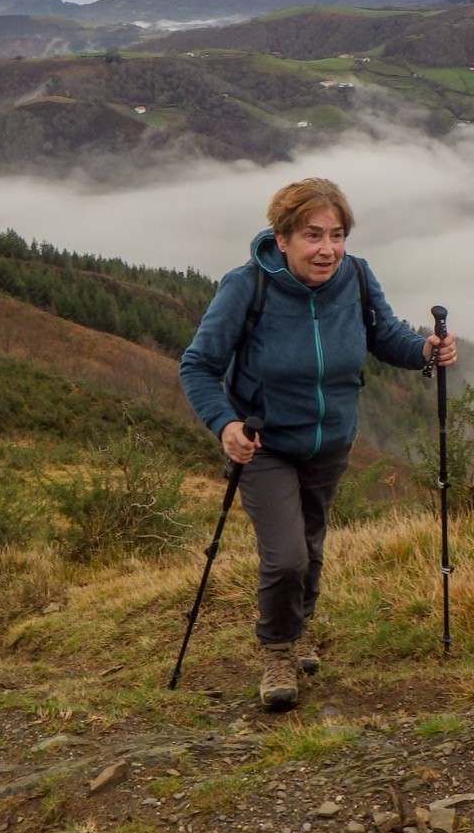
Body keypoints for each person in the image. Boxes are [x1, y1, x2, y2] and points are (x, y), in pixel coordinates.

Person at [178, 177, 457, 709]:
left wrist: (425, 348)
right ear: (281, 238)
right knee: (285, 557)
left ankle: (298, 627)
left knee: (309, 546)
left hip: (331, 440)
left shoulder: (355, 276)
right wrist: (225, 425)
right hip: (265, 444)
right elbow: (198, 366)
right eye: (312, 235)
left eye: (337, 234)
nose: (327, 248)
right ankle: (277, 648)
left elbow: (384, 335)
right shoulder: (247, 286)